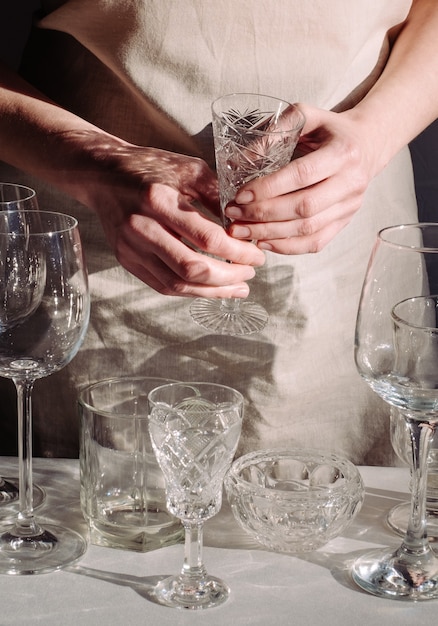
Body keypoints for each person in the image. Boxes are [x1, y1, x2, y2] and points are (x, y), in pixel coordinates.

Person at [0, 0, 437, 463]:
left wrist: (373, 138)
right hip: (98, 260)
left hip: (343, 259)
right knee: (110, 511)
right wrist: (91, 165)